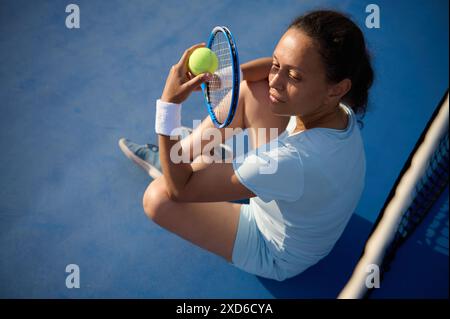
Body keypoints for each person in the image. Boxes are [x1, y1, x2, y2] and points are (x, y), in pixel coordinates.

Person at [119, 10, 373, 281]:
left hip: (273, 250)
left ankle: (179, 164)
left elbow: (180, 191)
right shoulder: (338, 104)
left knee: (160, 197)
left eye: (295, 77)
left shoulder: (291, 160)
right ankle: (184, 158)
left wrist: (168, 106)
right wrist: (224, 80)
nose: (276, 79)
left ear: (337, 88)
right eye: (278, 65)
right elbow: (265, 73)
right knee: (254, 90)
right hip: (295, 191)